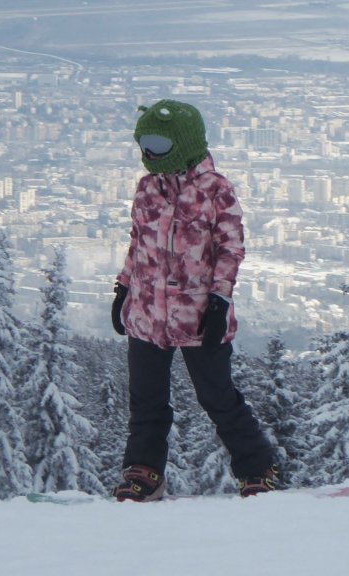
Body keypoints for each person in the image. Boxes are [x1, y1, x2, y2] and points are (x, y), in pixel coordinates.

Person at [109, 99, 278, 501]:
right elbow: (139, 245)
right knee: (146, 400)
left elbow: (230, 249)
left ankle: (257, 468)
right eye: (144, 142)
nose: (149, 153)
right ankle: (144, 472)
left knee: (217, 396)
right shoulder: (147, 189)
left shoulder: (215, 190)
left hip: (198, 315)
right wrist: (123, 288)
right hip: (148, 314)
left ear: (183, 143)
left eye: (159, 143)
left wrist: (219, 300)